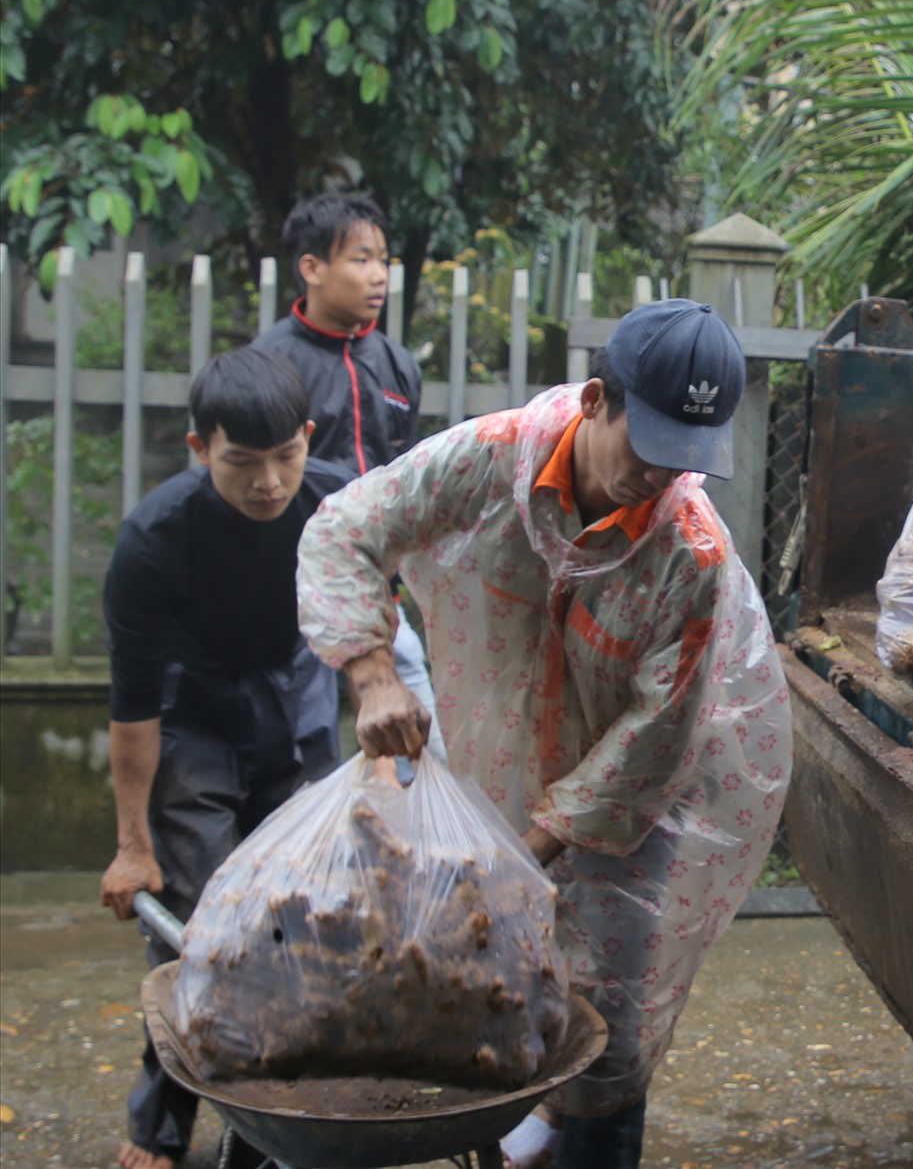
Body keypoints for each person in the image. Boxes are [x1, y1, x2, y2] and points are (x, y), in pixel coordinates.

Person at [296, 299, 791, 1169]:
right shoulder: (487, 462)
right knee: (491, 988)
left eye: (687, 454)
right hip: (500, 760)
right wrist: (372, 673)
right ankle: (527, 1133)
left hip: (631, 807)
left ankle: (582, 1134)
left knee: (608, 1032)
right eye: (648, 444)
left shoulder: (691, 556)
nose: (660, 476)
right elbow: (344, 531)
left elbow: (653, 740)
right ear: (597, 398)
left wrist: (524, 853)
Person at [99, 349, 350, 1169]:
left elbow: (378, 615)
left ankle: (274, 1118)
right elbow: (133, 711)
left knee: (302, 916)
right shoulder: (153, 541)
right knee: (201, 927)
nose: (270, 481)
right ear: (199, 448)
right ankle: (163, 1125)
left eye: (285, 454)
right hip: (193, 714)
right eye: (243, 461)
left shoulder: (337, 504)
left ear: (308, 436)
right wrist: (134, 843)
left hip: (297, 698)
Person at [253, 192, 439, 723]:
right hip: (289, 590)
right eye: (361, 259)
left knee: (418, 735)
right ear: (311, 267)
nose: (378, 275)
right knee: (302, 738)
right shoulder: (272, 363)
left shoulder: (396, 364)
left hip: (377, 587)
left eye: (383, 260)